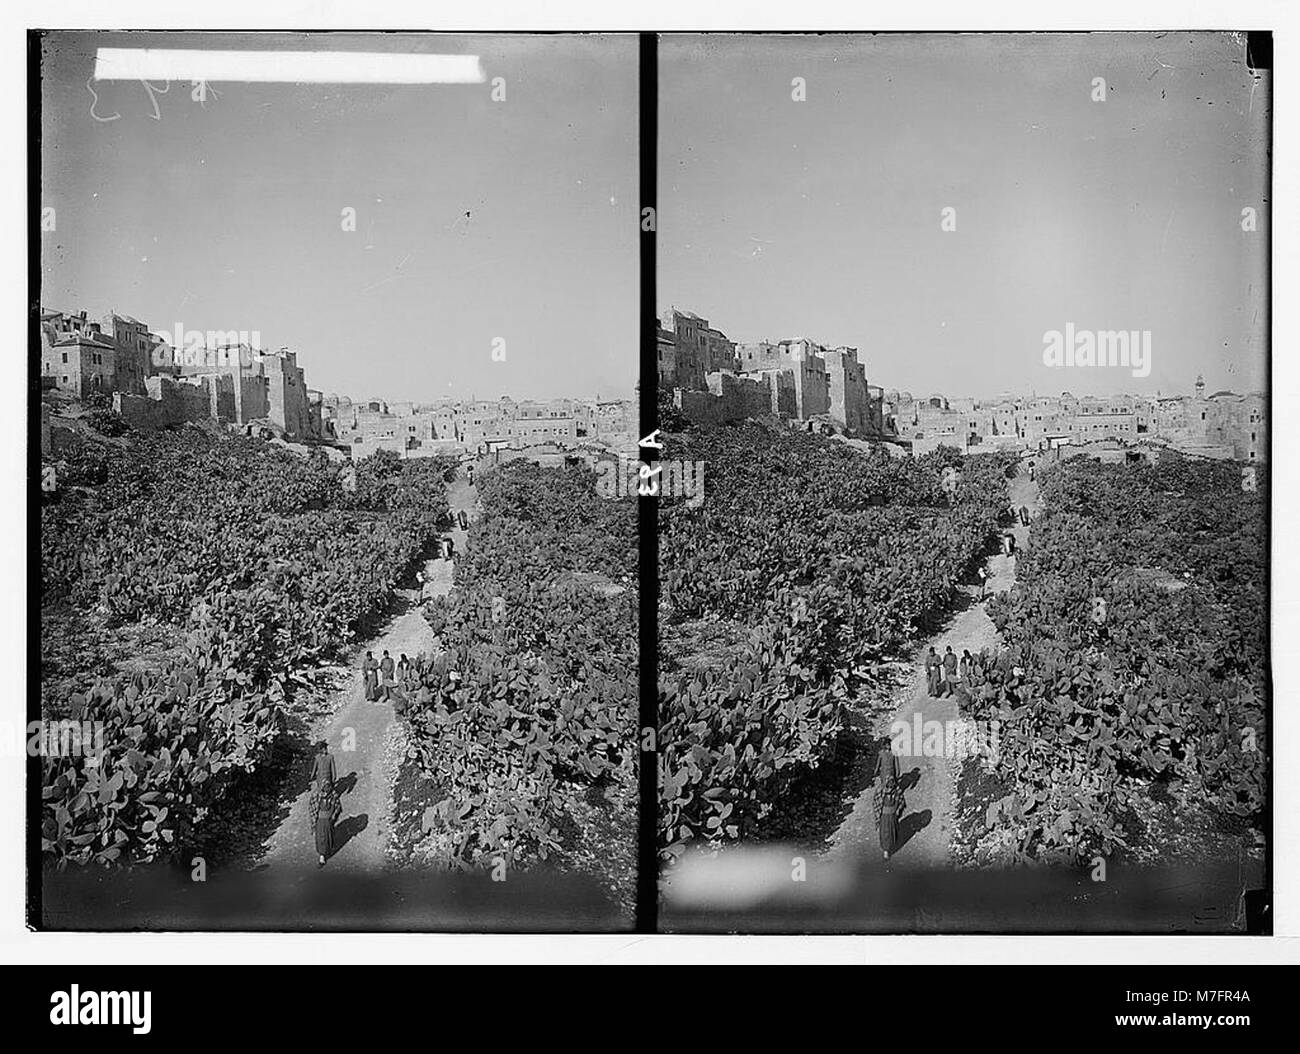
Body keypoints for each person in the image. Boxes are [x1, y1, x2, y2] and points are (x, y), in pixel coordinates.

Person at [308, 741, 339, 867]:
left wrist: (334, 778)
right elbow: (315, 768)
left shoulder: (330, 757)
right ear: (320, 750)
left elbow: (333, 769)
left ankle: (326, 851)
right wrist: (311, 776)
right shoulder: (317, 758)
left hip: (327, 781)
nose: (325, 750)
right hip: (320, 780)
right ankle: (322, 854)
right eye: (324, 748)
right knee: (322, 835)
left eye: (326, 748)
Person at [872, 739, 904, 861]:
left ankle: (889, 847)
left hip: (891, 777)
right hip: (884, 777)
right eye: (886, 745)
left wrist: (898, 775)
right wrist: (875, 772)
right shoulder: (881, 754)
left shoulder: (894, 753)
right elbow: (878, 764)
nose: (888, 746)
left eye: (889, 744)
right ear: (884, 745)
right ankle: (886, 849)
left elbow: (897, 766)